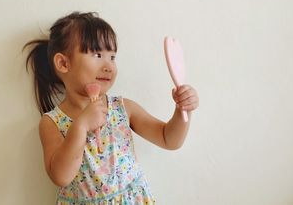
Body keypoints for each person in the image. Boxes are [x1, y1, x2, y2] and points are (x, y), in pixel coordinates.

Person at [23, 12, 199, 204]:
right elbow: (61, 176)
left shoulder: (123, 108)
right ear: (64, 63)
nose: (109, 66)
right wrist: (80, 126)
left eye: (112, 56)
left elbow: (168, 139)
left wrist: (183, 111)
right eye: (97, 55)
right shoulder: (52, 123)